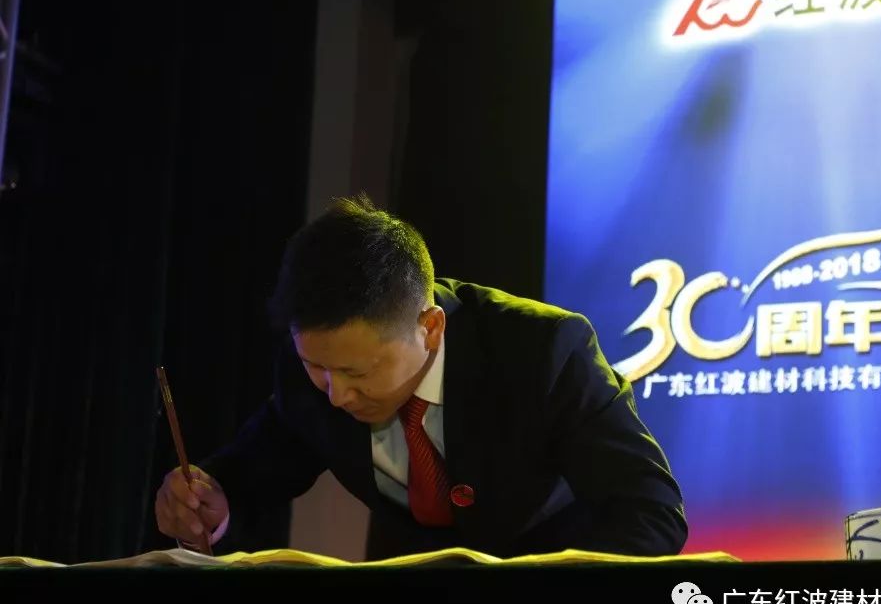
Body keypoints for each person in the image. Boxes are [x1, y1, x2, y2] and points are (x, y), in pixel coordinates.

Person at [154, 194, 687, 560]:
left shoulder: (542, 352)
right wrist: (208, 501)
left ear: (430, 328)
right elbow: (255, 468)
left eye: (357, 372)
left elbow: (650, 511)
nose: (336, 395)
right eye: (317, 368)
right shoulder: (312, 370)